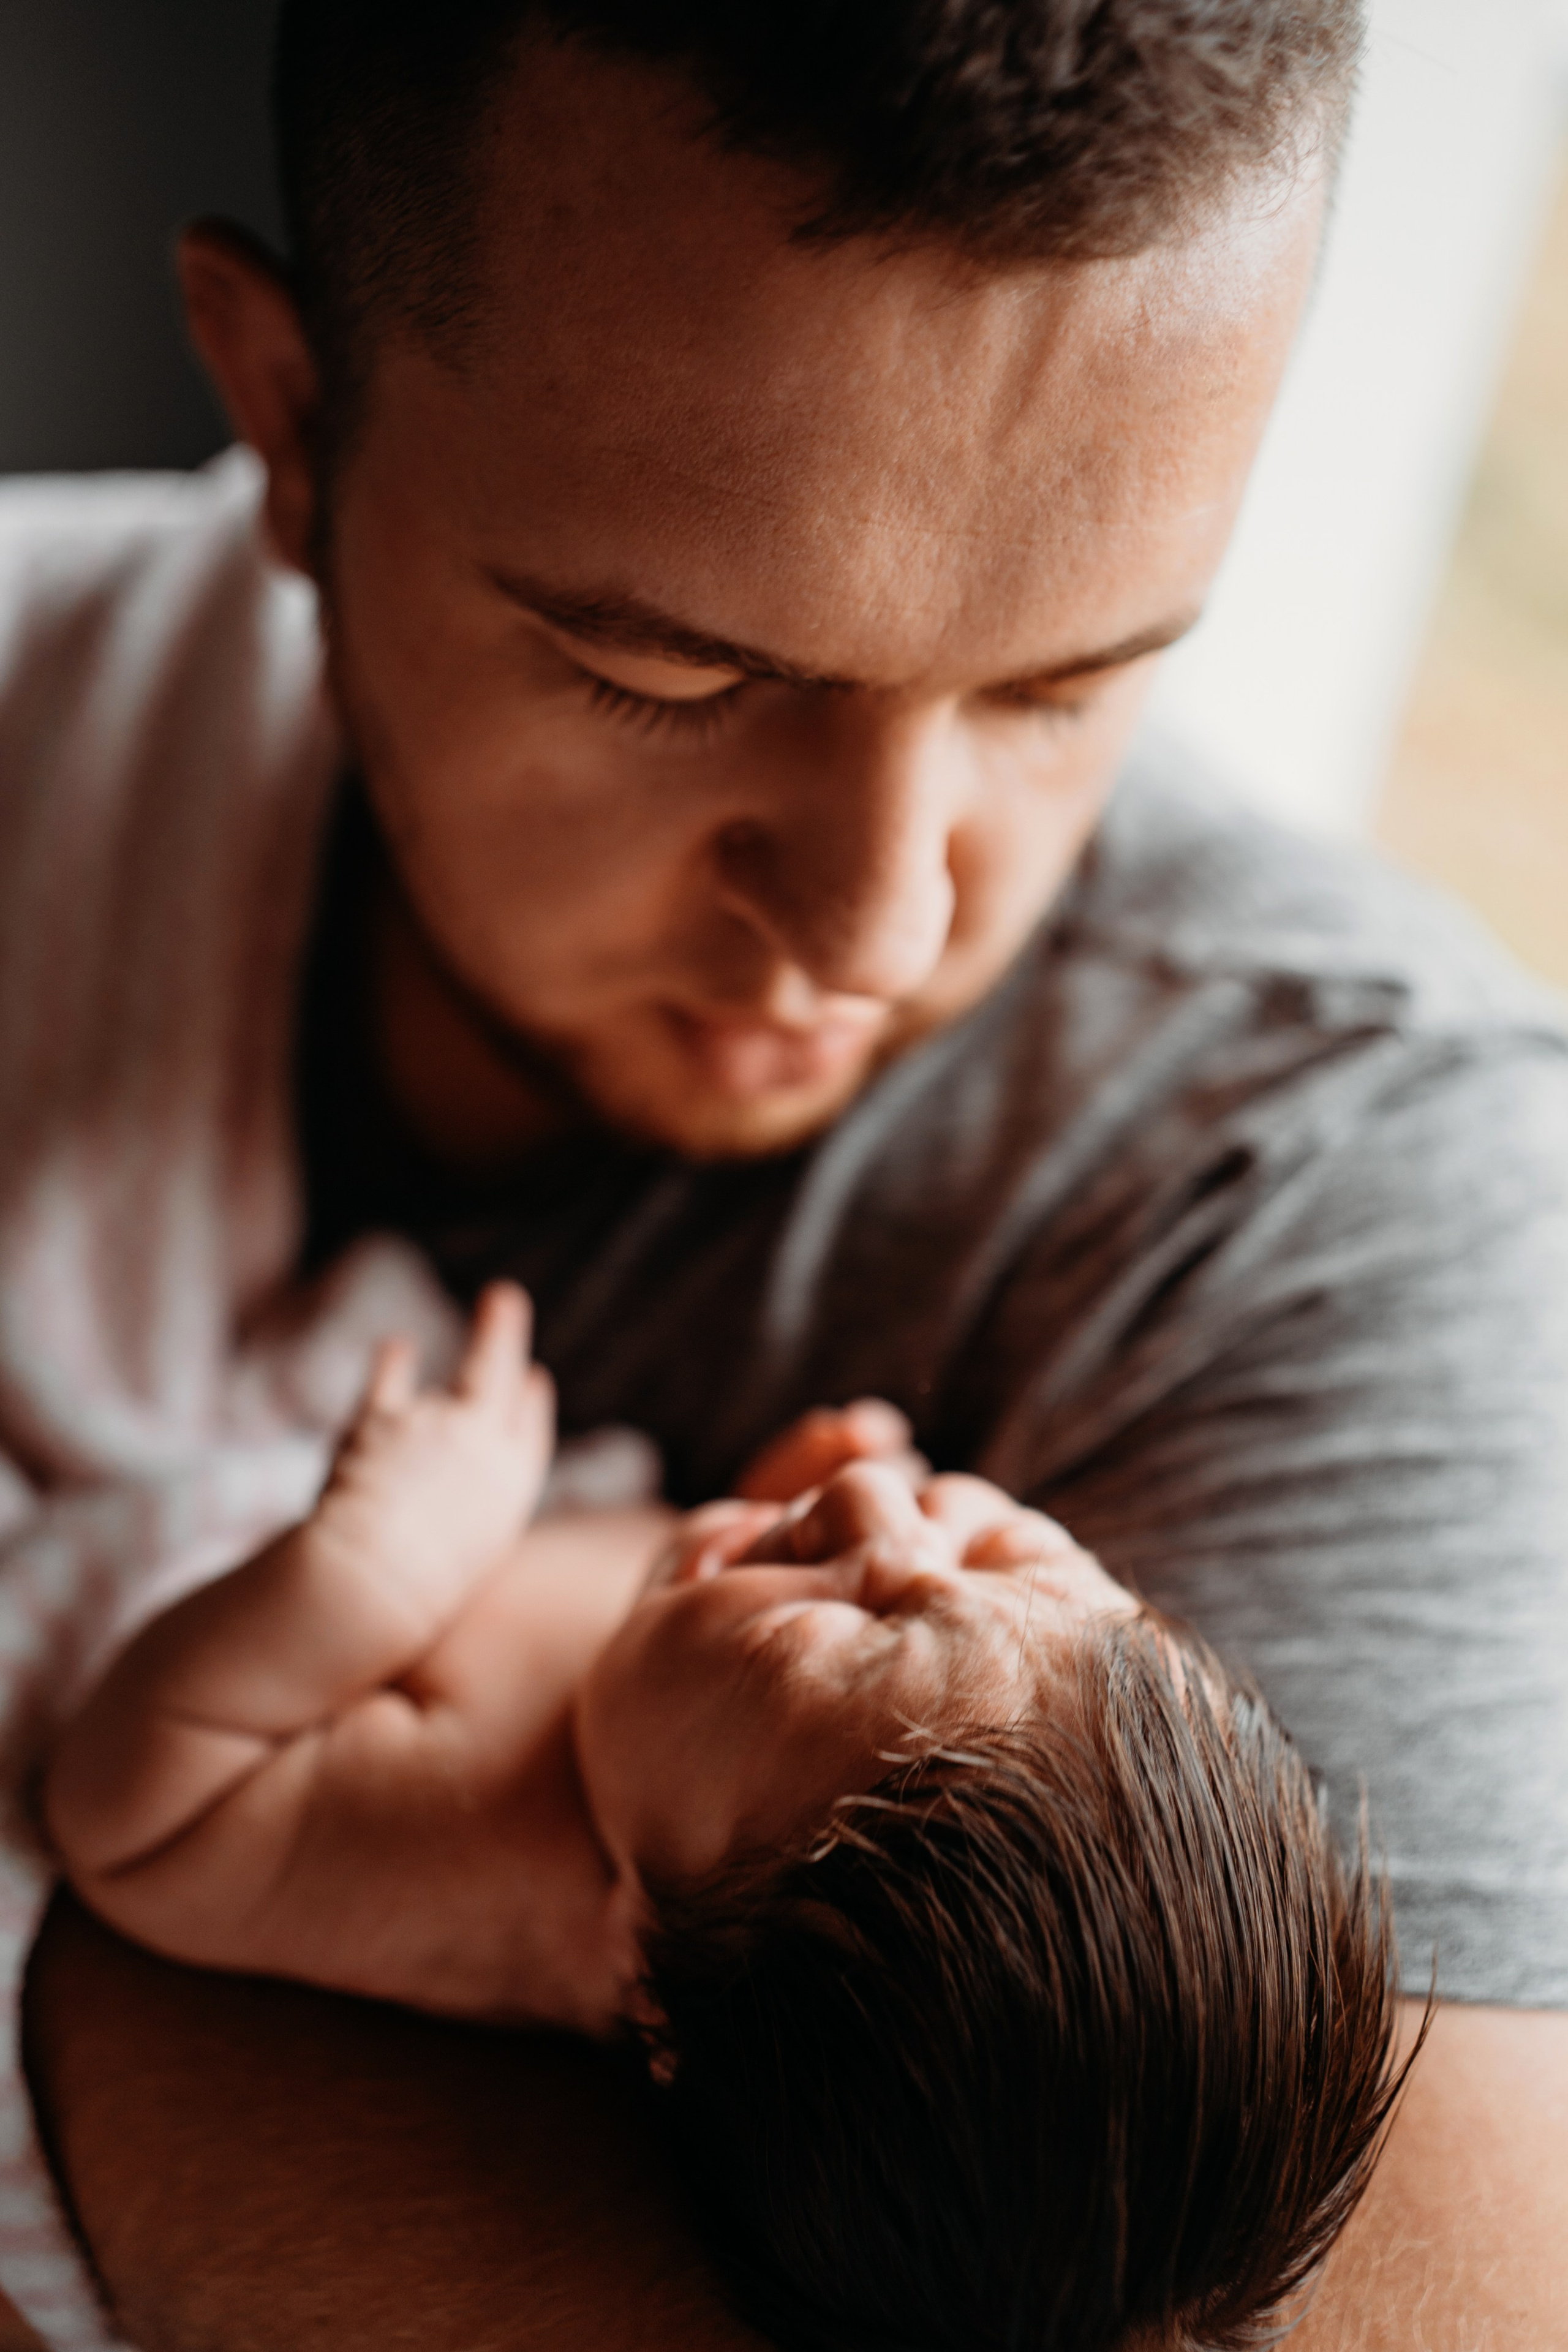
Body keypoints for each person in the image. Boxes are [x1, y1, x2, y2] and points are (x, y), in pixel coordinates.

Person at [1, 1, 1564, 2346]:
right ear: (294, 420)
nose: (877, 927)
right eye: (673, 677)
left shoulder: (1347, 1193)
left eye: (1066, 687)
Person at [41, 1283, 1409, 2351]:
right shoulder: (712, 1768)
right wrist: (776, 1526)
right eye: (1010, 1551)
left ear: (649, 1975)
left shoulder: (481, 1853)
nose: (882, 1509)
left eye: (834, 1623)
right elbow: (744, 1690)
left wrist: (371, 1565)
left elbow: (142, 1818)